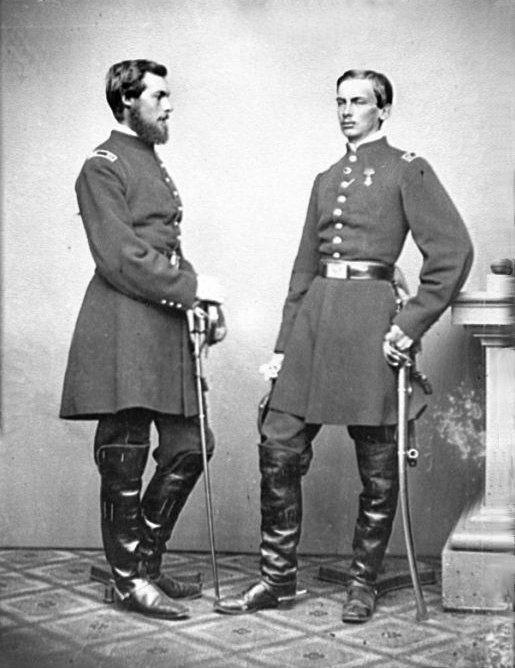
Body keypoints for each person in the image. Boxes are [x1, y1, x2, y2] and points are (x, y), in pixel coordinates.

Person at [214, 69, 473, 623]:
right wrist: (284, 346)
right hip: (316, 322)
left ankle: (363, 582)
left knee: (378, 463)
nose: (347, 111)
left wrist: (411, 325)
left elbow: (453, 251)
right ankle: (277, 579)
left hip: (370, 326)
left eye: (359, 101)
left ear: (384, 110)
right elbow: (303, 269)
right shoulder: (326, 178)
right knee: (279, 443)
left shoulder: (408, 168)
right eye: (340, 101)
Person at [60, 60, 224, 620]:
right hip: (123, 323)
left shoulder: (150, 160)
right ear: (127, 100)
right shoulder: (101, 166)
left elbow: (164, 247)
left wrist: (201, 302)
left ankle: (145, 565)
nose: (169, 106)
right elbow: (121, 256)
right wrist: (193, 289)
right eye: (159, 96)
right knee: (125, 453)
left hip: (162, 322)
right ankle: (129, 580)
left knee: (191, 445)